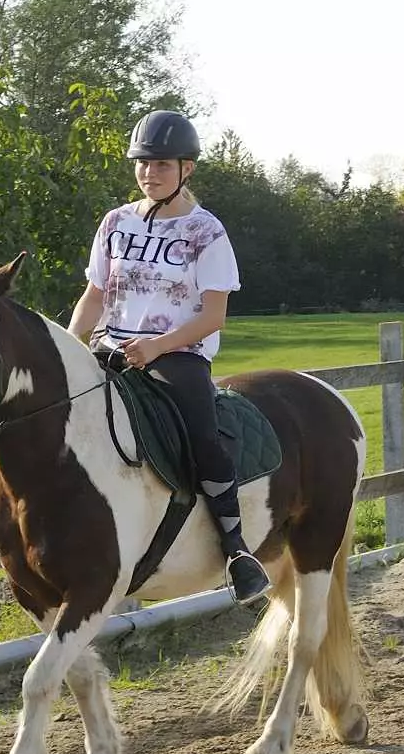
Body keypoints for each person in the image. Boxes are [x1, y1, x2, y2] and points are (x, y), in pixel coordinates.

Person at [70, 110, 271, 605]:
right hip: (108, 348)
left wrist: (157, 346)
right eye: (142, 163)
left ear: (187, 169)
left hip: (176, 354)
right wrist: (72, 346)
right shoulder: (115, 222)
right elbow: (95, 294)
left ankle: (236, 549)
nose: (148, 172)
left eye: (160, 164)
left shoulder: (206, 232)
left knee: (202, 436)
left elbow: (213, 316)